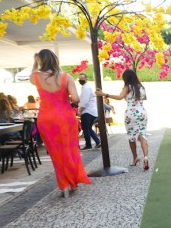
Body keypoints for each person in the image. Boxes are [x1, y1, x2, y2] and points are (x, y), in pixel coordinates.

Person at [30, 49, 91, 197]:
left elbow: (32, 75)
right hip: (64, 118)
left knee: (55, 154)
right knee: (70, 150)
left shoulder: (35, 77)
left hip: (45, 118)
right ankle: (72, 182)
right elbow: (76, 99)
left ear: (41, 61)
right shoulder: (66, 77)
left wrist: (34, 63)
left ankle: (63, 185)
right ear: (55, 60)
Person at [97, 69, 150, 169]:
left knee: (131, 136)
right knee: (142, 134)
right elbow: (144, 98)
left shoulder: (127, 87)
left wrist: (105, 94)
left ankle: (135, 157)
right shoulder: (141, 87)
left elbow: (120, 97)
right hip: (142, 113)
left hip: (130, 114)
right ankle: (146, 157)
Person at [77, 73, 101, 150]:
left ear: (86, 79)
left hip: (87, 111)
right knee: (88, 128)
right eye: (79, 79)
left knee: (85, 128)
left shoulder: (86, 88)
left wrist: (80, 110)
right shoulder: (87, 87)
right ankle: (98, 141)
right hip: (91, 111)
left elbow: (85, 101)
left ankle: (88, 144)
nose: (80, 80)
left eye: (82, 79)